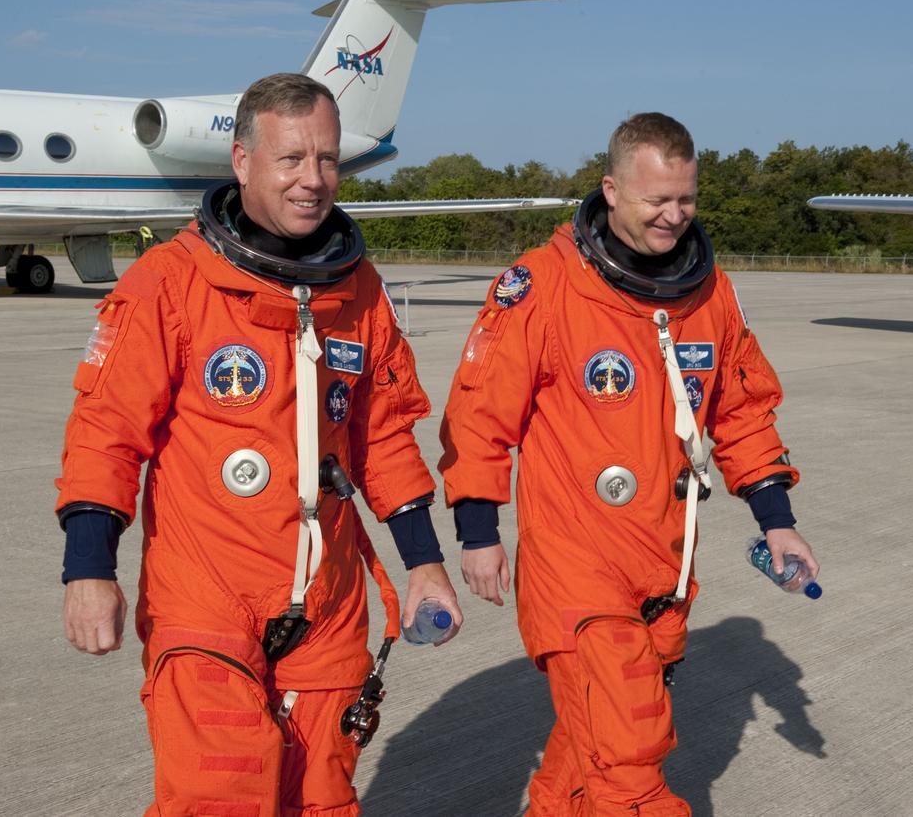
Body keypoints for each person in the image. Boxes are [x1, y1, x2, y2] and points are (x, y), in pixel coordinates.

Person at [56, 73, 462, 817]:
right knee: (219, 793)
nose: (314, 180)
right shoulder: (170, 284)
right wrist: (89, 566)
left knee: (320, 799)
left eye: (329, 159)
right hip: (206, 593)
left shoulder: (358, 290)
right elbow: (106, 432)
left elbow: (383, 436)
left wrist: (426, 564)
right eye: (292, 159)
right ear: (242, 161)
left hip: (329, 605)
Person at [439, 112, 818, 816]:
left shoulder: (711, 294)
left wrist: (777, 521)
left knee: (586, 757)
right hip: (577, 571)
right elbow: (479, 414)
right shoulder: (542, 286)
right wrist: (478, 530)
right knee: (629, 762)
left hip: (664, 569)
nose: (674, 217)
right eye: (656, 201)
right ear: (612, 190)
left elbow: (742, 412)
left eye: (687, 199)